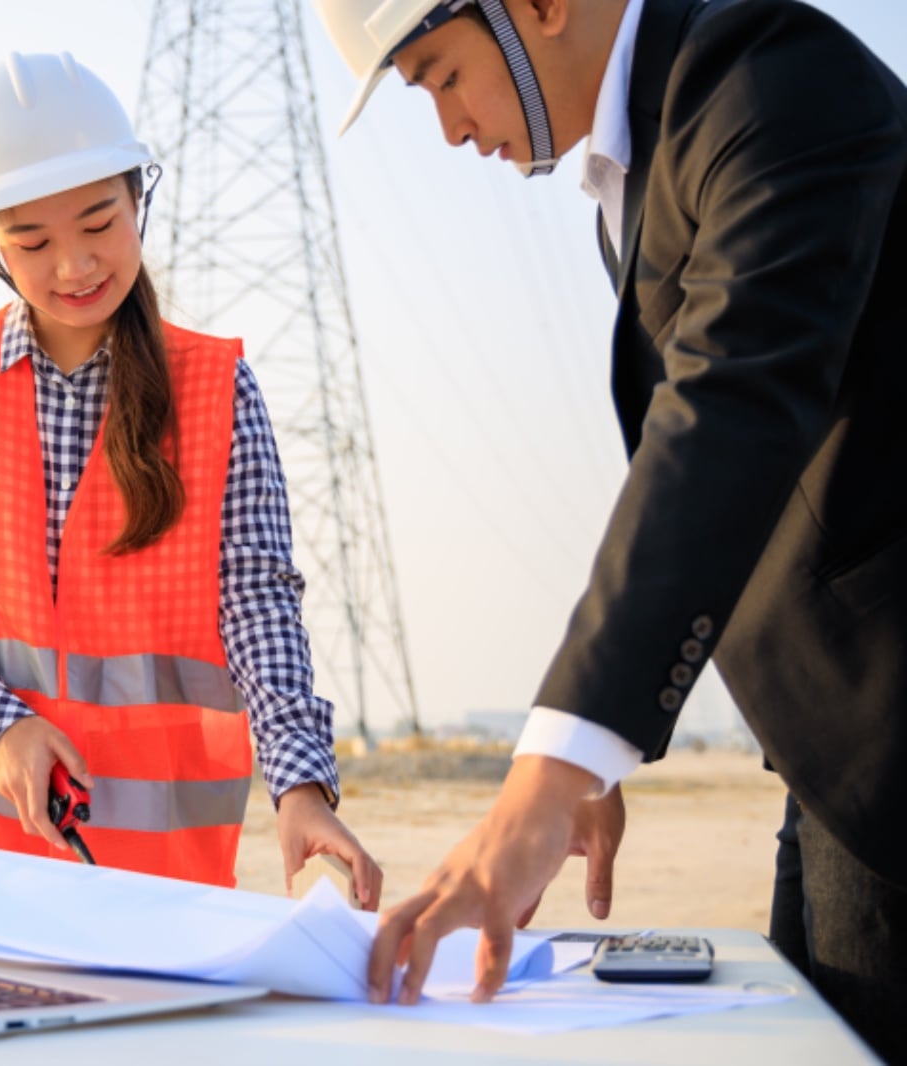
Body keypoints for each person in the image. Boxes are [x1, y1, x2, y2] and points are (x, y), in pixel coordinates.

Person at [315, 0, 907, 1058]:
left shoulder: (772, 85)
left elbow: (728, 420)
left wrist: (550, 772)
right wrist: (597, 755)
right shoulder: (638, 167)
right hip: (825, 745)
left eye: (441, 76)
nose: (450, 129)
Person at [0, 51, 379, 900]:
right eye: (32, 240)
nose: (75, 265)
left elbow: (257, 603)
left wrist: (301, 787)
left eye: (100, 224)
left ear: (139, 198)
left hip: (157, 887)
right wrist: (1, 730)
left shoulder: (214, 392)